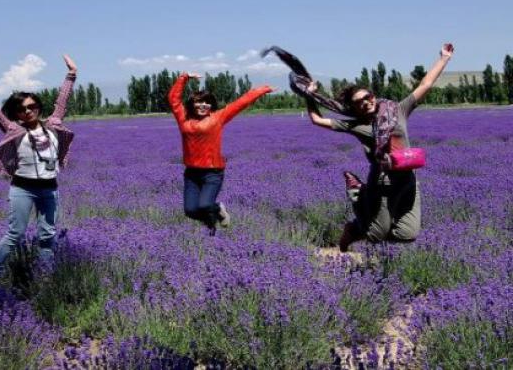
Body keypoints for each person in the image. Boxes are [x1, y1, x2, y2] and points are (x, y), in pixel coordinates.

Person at [264, 44, 454, 251]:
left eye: (368, 97)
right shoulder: (357, 125)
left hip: (408, 180)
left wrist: (444, 58)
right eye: (359, 102)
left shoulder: (397, 110)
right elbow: (317, 120)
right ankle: (356, 205)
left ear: (373, 95)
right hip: (382, 183)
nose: (366, 102)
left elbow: (425, 84)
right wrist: (310, 97)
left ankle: (363, 217)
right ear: (353, 107)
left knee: (407, 235)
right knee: (375, 235)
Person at [0, 55, 77, 279]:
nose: (28, 111)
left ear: (38, 106)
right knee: (15, 234)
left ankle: (45, 279)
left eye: (31, 106)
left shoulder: (53, 125)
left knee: (47, 236)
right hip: (23, 189)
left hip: (50, 189)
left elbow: (62, 100)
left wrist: (71, 74)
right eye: (22, 109)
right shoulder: (14, 130)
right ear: (16, 113)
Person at [168, 72, 273, 235]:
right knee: (190, 210)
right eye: (199, 102)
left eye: (207, 103)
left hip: (212, 172)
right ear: (192, 103)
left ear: (211, 105)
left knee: (204, 205)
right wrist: (184, 78)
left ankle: (216, 211)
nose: (203, 105)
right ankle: (211, 227)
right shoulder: (183, 118)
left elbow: (240, 103)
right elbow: (173, 99)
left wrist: (261, 90)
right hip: (191, 173)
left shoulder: (218, 118)